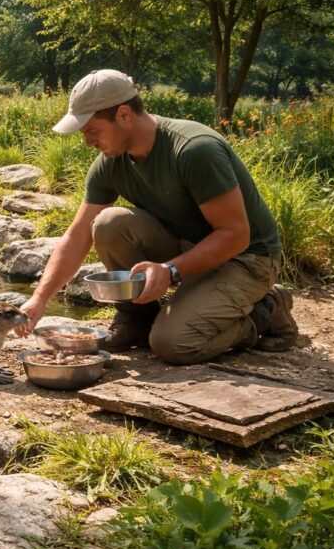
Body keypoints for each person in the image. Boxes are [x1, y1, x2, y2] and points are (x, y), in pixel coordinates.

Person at [16, 69, 298, 364]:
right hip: (190, 248)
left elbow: (236, 235)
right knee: (109, 223)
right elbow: (77, 235)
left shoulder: (194, 150)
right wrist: (40, 298)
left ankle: (264, 311)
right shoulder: (111, 163)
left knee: (173, 344)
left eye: (92, 130)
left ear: (124, 114)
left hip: (247, 259)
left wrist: (170, 270)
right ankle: (136, 319)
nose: (87, 142)